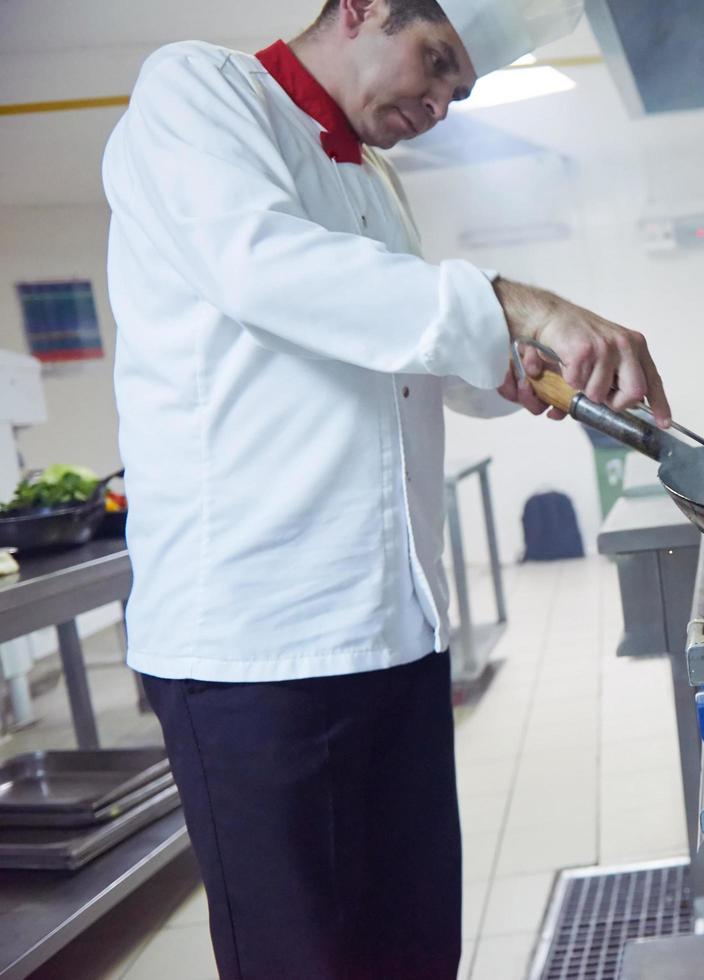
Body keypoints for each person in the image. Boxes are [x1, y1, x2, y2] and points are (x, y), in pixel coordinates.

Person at [101, 1, 668, 976]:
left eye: (460, 90)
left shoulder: (375, 180)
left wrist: (536, 367)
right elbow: (266, 270)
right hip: (258, 647)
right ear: (361, 6)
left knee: (411, 948)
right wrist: (505, 301)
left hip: (392, 631)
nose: (442, 103)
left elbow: (405, 352)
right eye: (435, 61)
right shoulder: (198, 92)